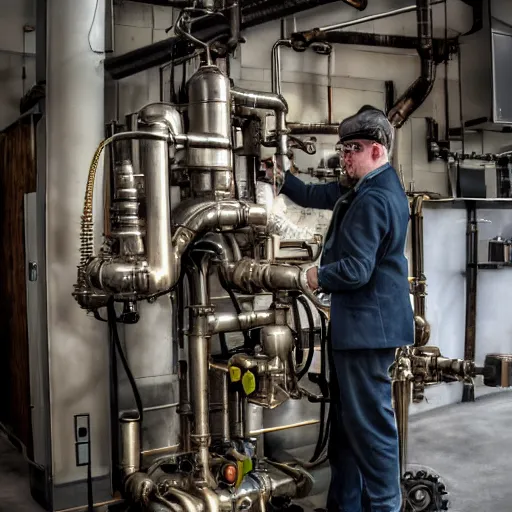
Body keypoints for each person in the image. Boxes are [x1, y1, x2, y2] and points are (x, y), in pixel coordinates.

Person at [277, 105, 414, 512]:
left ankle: (386, 506)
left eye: (351, 149)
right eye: (342, 149)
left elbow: (355, 270)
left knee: (370, 429)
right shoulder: (365, 188)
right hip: (359, 329)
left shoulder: (375, 198)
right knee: (347, 432)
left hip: (367, 331)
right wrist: (280, 180)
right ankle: (345, 506)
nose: (344, 157)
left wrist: (312, 277)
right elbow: (314, 194)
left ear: (376, 149)